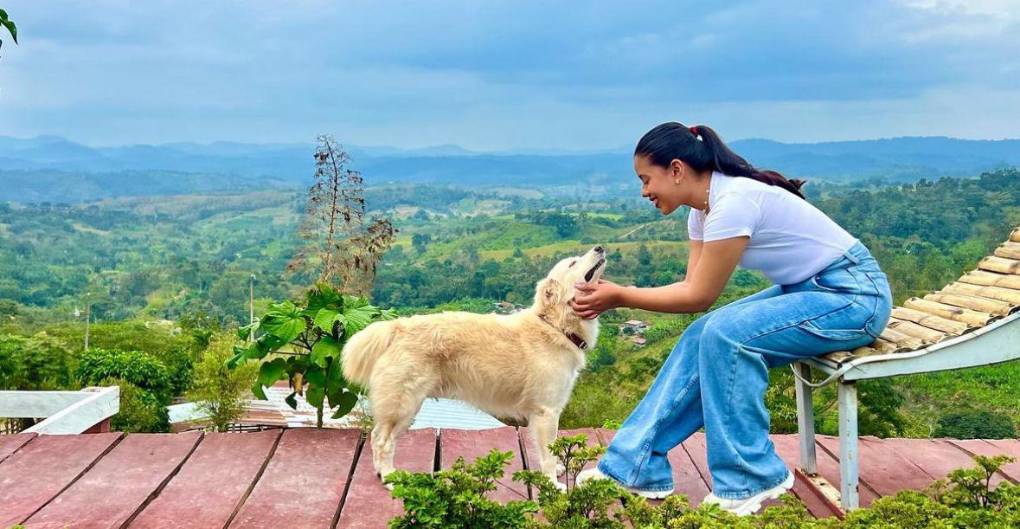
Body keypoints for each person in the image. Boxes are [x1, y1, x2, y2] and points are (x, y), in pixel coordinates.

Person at [570, 122, 893, 516]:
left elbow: (699, 296)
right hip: (810, 291)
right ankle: (634, 465)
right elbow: (692, 291)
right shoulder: (702, 213)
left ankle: (748, 477)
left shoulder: (732, 202)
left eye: (646, 179)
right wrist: (621, 296)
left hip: (855, 297)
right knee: (702, 334)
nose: (644, 192)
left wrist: (620, 296)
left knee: (727, 335)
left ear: (676, 169)